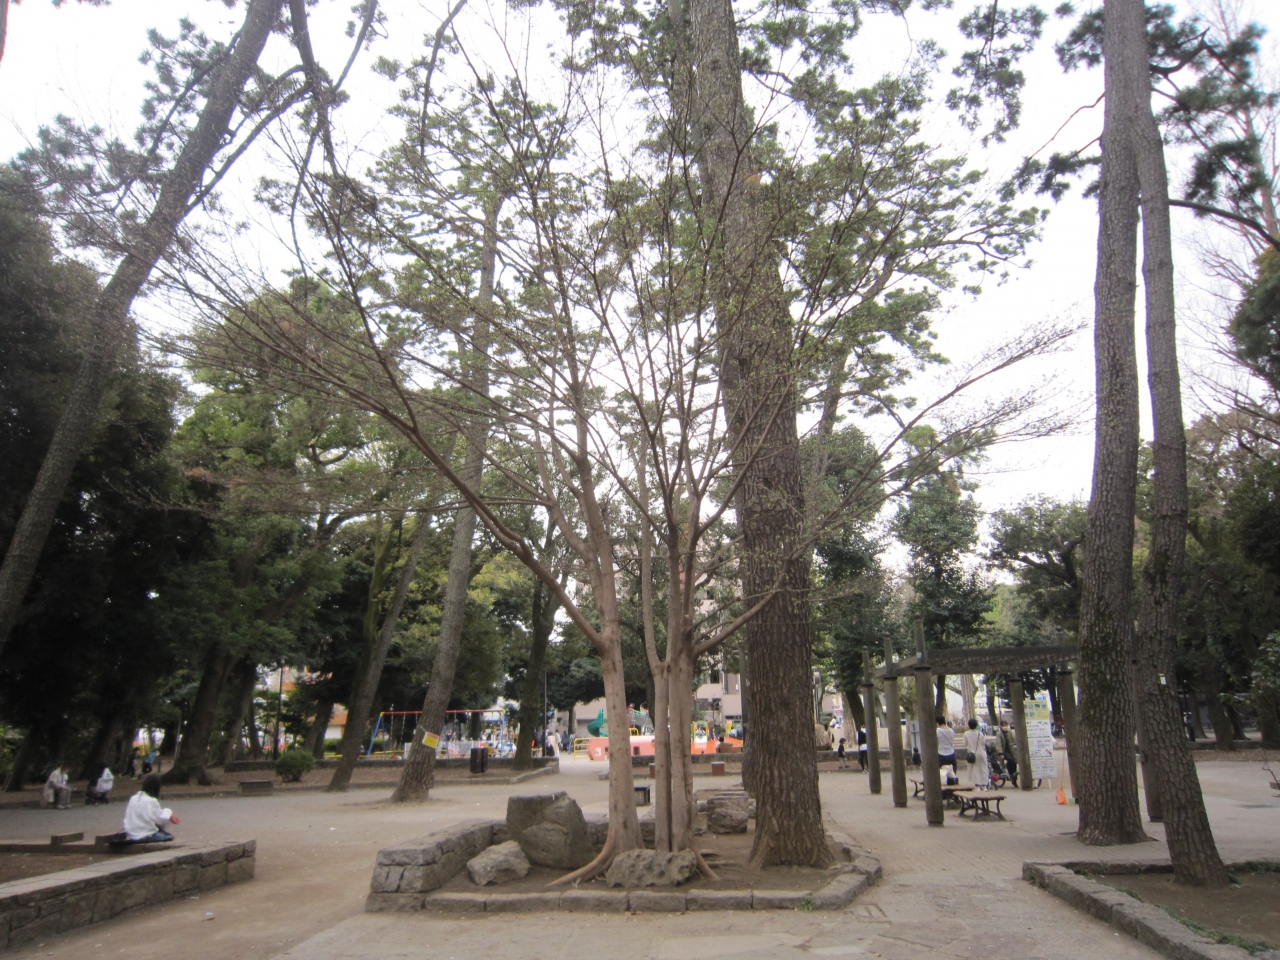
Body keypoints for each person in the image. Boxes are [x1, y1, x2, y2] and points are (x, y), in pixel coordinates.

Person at [123, 774, 177, 842]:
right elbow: (160, 819)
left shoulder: (133, 798)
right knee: (169, 836)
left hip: (131, 834)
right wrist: (169, 813)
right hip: (146, 834)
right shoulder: (151, 801)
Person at [963, 718, 988, 790]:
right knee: (983, 768)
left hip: (972, 754)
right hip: (981, 753)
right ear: (976, 725)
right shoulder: (980, 733)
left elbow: (965, 744)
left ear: (969, 725)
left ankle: (977, 785)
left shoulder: (966, 734)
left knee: (974, 770)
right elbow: (983, 743)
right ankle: (984, 785)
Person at [936, 716, 957, 783]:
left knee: (942, 772)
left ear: (937, 723)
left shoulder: (937, 731)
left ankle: (944, 782)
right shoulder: (951, 730)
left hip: (941, 753)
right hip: (951, 753)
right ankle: (953, 781)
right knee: (952, 771)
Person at [997, 719, 1018, 787]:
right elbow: (998, 744)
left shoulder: (1010, 732)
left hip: (1012, 750)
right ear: (1001, 726)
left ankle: (1014, 779)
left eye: (1006, 725)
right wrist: (1000, 753)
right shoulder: (999, 734)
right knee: (1010, 760)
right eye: (1003, 725)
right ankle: (1011, 774)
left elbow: (1015, 740)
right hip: (1004, 751)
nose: (1005, 727)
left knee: (1014, 763)